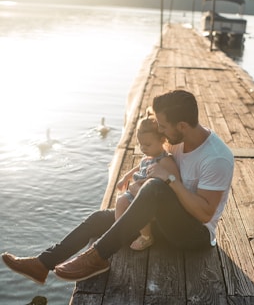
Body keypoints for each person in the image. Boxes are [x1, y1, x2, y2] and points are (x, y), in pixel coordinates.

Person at [2, 90, 234, 284]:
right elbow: (154, 161)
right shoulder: (177, 142)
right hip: (164, 222)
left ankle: (97, 257)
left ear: (182, 125)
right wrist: (132, 173)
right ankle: (43, 264)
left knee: (155, 188)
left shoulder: (216, 158)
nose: (160, 131)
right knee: (98, 219)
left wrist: (169, 181)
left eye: (163, 126)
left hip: (194, 235)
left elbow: (205, 214)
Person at [115, 109, 180, 250]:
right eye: (140, 144)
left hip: (148, 196)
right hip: (135, 190)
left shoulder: (165, 161)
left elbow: (170, 182)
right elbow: (138, 168)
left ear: (162, 140)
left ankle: (147, 237)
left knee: (141, 209)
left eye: (148, 145)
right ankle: (121, 231)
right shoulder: (147, 158)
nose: (143, 148)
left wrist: (137, 186)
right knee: (120, 201)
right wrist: (125, 177)